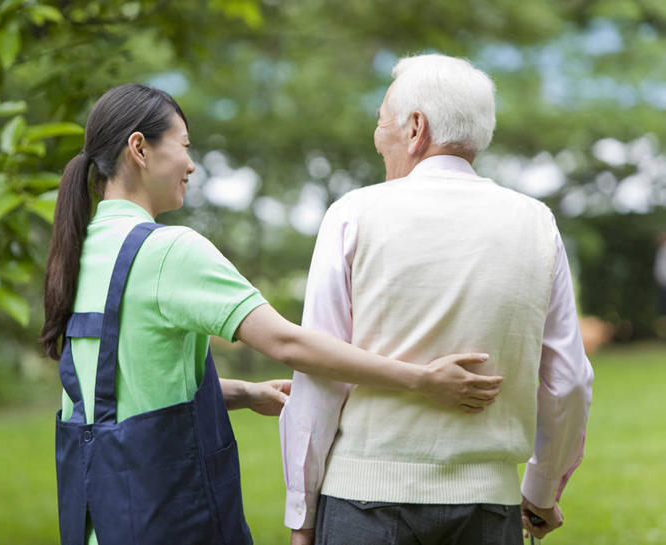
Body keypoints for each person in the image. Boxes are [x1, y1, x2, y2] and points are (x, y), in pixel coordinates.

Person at [40, 84, 503, 545]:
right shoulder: (168, 251)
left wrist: (243, 392)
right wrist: (419, 379)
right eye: (184, 146)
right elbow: (288, 343)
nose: (192, 164)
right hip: (167, 519)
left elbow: (117, 390)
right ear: (139, 148)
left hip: (99, 521)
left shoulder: (79, 252)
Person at [280, 54, 594, 545]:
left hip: (363, 503)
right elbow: (569, 380)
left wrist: (302, 513)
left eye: (381, 122)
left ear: (415, 129)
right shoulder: (537, 223)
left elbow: (320, 373)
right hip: (490, 507)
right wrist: (541, 489)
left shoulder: (353, 215)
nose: (377, 136)